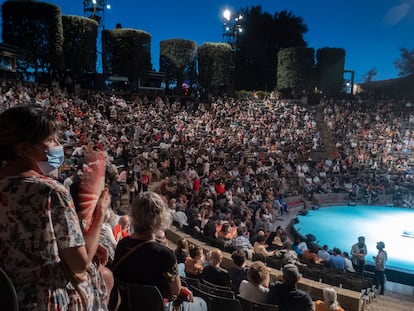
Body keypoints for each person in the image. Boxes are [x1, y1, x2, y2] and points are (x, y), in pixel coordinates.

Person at [0, 106, 110, 310]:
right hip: (47, 300)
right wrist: (100, 214)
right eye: (51, 140)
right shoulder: (50, 192)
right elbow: (79, 264)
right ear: (23, 148)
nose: (58, 145)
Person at [112, 191, 206, 311]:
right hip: (155, 307)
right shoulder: (166, 255)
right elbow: (176, 292)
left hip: (126, 307)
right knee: (202, 303)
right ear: (161, 218)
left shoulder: (122, 244)